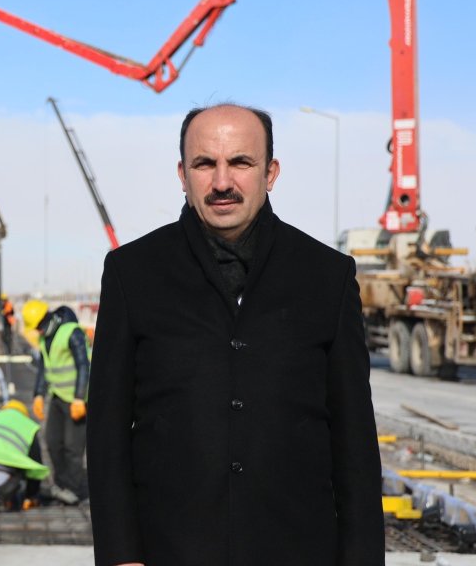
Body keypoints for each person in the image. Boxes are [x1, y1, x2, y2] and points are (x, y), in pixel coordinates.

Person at [88, 103, 383, 566]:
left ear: (271, 172)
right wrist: (120, 554)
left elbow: (355, 440)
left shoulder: (326, 275)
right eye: (205, 164)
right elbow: (106, 433)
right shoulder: (133, 272)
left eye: (241, 162)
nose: (222, 182)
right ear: (182, 175)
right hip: (171, 547)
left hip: (298, 549)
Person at [24, 299, 89, 505]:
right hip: (59, 397)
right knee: (52, 442)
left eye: (38, 327)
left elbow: (83, 366)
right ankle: (61, 485)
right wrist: (38, 394)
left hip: (77, 401)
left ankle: (75, 489)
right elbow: (44, 369)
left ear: (47, 319)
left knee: (73, 448)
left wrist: (80, 398)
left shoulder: (72, 332)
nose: (38, 332)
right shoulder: (46, 339)